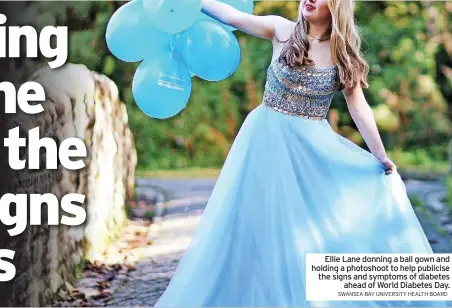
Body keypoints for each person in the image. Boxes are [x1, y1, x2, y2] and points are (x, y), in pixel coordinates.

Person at [154, 0, 449, 306]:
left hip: (311, 149)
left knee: (311, 227)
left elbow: (358, 107)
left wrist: (380, 154)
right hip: (264, 141)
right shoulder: (282, 31)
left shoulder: (341, 54)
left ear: (336, 7)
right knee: (254, 220)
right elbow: (233, 16)